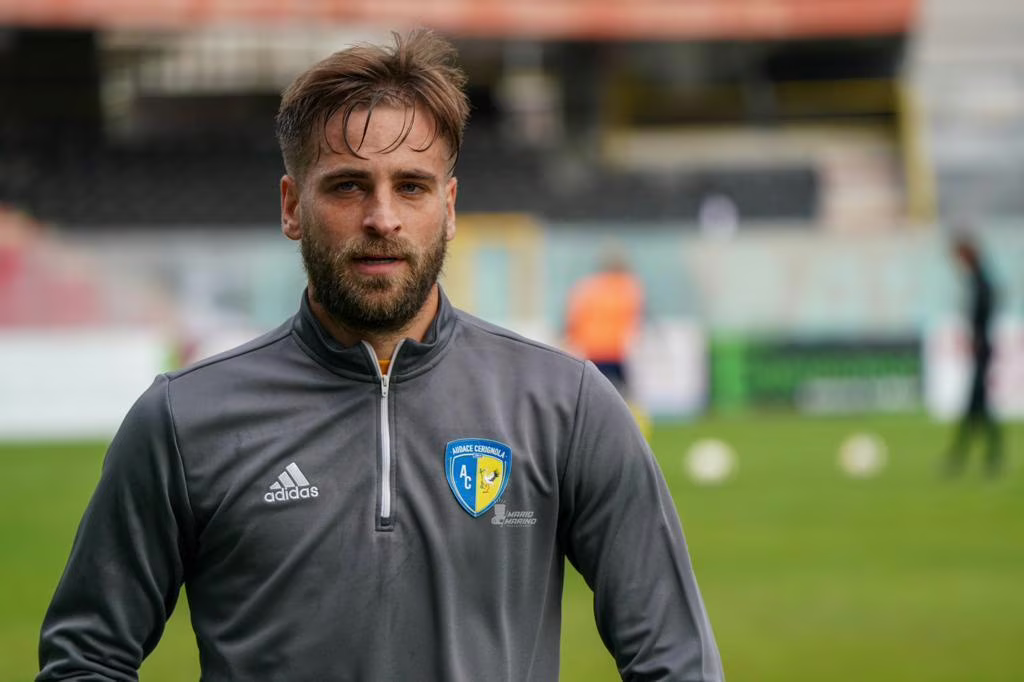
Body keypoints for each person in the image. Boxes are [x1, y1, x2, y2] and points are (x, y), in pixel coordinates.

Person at [37, 30, 723, 681]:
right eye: (347, 186)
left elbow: (676, 661)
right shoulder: (183, 421)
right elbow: (85, 661)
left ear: (448, 207)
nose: (383, 218)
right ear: (292, 207)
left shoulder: (566, 406)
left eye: (412, 186)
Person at [943, 230, 1003, 477]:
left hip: (982, 349)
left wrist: (977, 338)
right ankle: (980, 455)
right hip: (982, 347)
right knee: (977, 405)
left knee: (977, 404)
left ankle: (967, 456)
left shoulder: (980, 281)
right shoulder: (978, 279)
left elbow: (984, 310)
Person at [565, 250, 646, 398]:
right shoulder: (627, 286)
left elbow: (574, 317)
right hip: (616, 350)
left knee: (593, 392)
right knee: (624, 393)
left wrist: (573, 338)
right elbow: (635, 316)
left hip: (593, 349)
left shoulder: (587, 287)